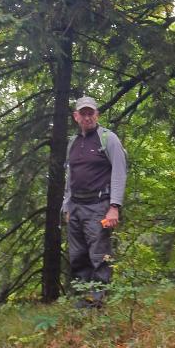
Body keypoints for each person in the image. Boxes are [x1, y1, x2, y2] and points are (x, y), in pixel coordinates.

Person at [62, 95, 127, 302]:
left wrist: (114, 206)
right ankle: (83, 302)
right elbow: (70, 176)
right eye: (83, 113)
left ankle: (98, 303)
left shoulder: (108, 139)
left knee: (99, 257)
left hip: (99, 206)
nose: (87, 117)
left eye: (91, 113)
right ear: (76, 116)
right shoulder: (73, 143)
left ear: (97, 115)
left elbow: (119, 172)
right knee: (78, 257)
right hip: (76, 207)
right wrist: (67, 206)